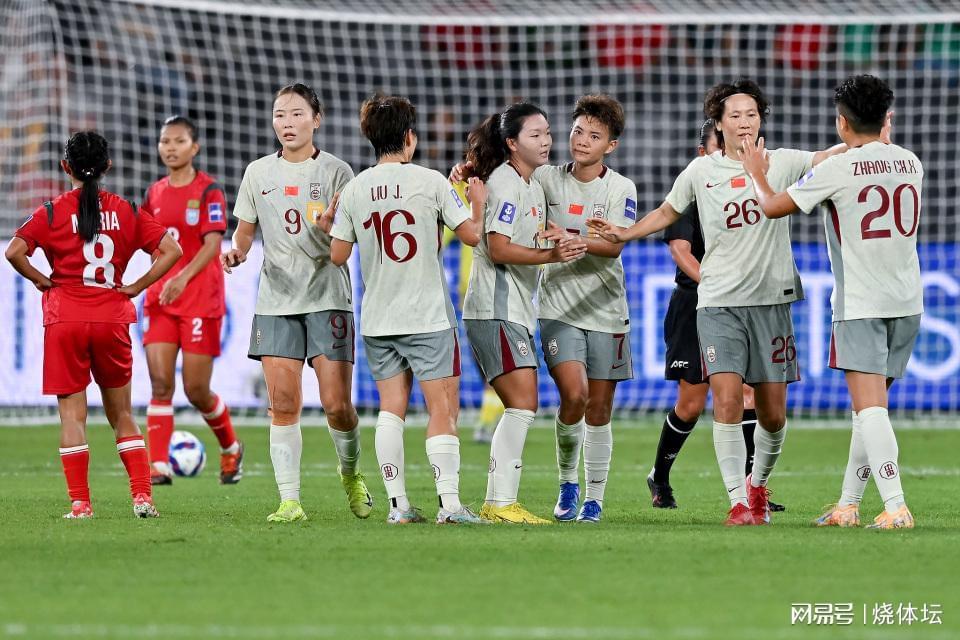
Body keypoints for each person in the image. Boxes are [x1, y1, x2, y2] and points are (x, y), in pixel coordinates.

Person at [588, 78, 846, 526]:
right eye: (735, 115)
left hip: (771, 302)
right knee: (726, 401)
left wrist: (866, 142)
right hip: (718, 301)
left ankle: (758, 484)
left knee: (772, 414)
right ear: (719, 123)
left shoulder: (782, 162)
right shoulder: (700, 171)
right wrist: (625, 233)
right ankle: (739, 502)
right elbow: (667, 212)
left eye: (752, 114)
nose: (745, 121)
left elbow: (827, 157)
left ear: (761, 120)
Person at [742, 74, 917, 530]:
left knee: (870, 410)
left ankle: (896, 506)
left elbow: (772, 207)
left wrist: (756, 173)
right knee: (868, 410)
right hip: (907, 301)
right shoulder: (910, 161)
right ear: (886, 119)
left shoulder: (838, 169)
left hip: (861, 303)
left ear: (842, 122)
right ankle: (848, 505)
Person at [325, 94, 486, 524]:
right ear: (410, 137)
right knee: (441, 409)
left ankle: (398, 506)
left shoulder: (355, 189)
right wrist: (477, 200)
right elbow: (472, 236)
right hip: (427, 315)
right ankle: (450, 505)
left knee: (390, 408)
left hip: (379, 317)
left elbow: (337, 255)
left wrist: (328, 225)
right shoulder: (431, 182)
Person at [4, 131, 182, 519]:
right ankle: (143, 498)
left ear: (64, 166)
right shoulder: (128, 210)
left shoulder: (51, 212)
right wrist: (136, 286)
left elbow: (14, 252)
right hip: (111, 319)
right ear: (107, 167)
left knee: (72, 416)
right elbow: (172, 250)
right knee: (122, 415)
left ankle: (81, 504)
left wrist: (40, 279)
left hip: (65, 319)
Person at [221, 83, 372, 523]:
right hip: (276, 299)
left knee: (336, 405)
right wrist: (237, 251)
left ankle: (350, 473)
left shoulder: (338, 172)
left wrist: (332, 228)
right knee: (283, 403)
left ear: (316, 120)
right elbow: (244, 231)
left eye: (296, 114)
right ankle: (290, 501)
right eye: (279, 115)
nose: (286, 123)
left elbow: (350, 238)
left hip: (328, 297)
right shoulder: (257, 173)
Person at [648, 120, 784, 514]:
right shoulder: (691, 191)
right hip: (696, 302)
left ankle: (751, 489)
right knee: (691, 403)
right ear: (703, 151)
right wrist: (714, 283)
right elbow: (680, 250)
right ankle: (659, 476)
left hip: (741, 303)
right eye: (722, 145)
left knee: (747, 393)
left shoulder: (751, 191)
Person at [461, 102, 587, 524]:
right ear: (512, 143)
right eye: (535, 134)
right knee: (522, 403)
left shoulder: (530, 183)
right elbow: (498, 248)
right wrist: (551, 254)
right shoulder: (505, 182)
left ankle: (500, 502)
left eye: (547, 132)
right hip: (494, 308)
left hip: (513, 309)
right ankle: (500, 503)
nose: (546, 140)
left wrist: (556, 239)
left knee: (522, 404)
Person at [531, 94, 637, 523]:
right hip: (557, 305)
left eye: (594, 135)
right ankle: (567, 483)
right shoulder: (546, 178)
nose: (582, 140)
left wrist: (573, 239)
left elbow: (614, 246)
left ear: (610, 145)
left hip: (607, 308)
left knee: (599, 408)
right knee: (574, 395)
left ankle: (594, 498)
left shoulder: (621, 188)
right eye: (577, 131)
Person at [141, 116, 243, 486]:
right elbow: (145, 241)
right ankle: (158, 466)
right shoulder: (153, 193)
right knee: (160, 384)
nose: (170, 147)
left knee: (196, 390)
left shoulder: (209, 191)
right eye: (165, 141)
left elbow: (213, 244)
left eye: (179, 141)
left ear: (194, 147)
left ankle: (231, 447)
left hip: (200, 298)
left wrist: (182, 277)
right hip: (161, 299)